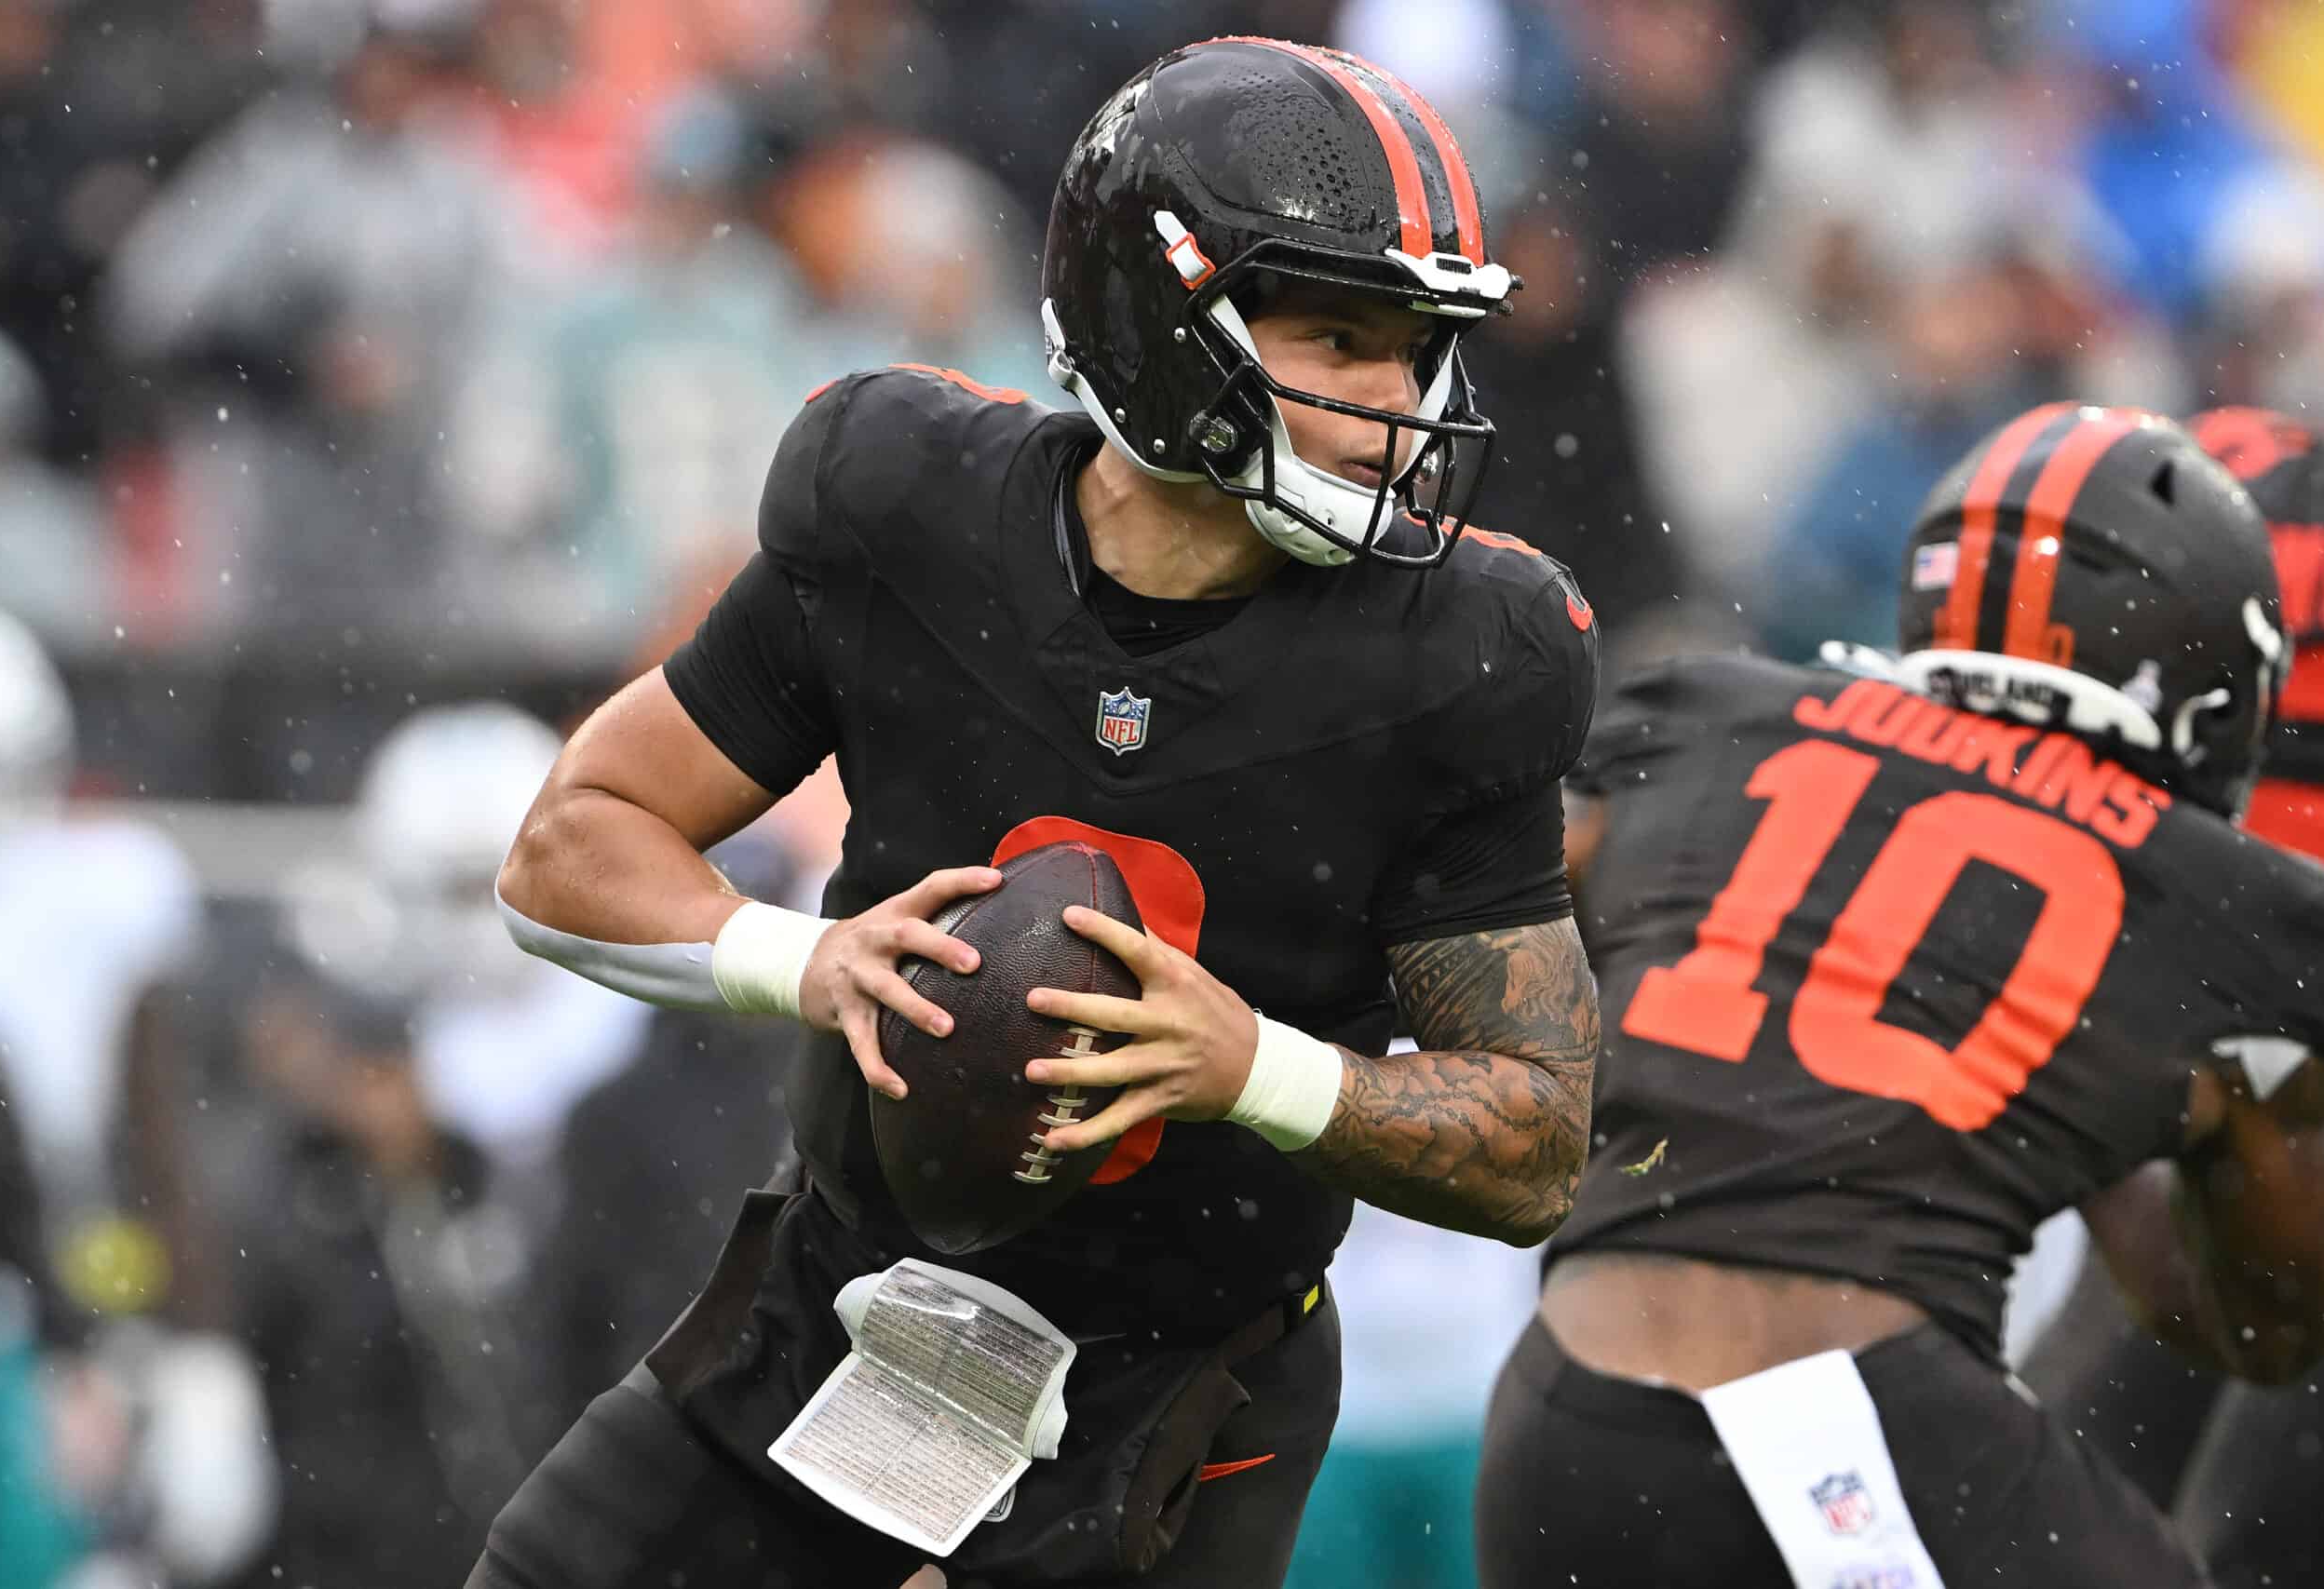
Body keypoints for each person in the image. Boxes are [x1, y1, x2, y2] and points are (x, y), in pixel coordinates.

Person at [483, 36, 1600, 1589]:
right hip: (845, 1305)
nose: (1394, 403)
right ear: (1161, 317)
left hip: (1182, 1380)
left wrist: (1254, 1068)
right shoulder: (904, 506)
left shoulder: (1464, 652)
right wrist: (791, 958)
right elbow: (566, 846)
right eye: (1341, 338)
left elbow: (1540, 1137)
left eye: (1417, 352)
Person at [1476, 403, 2324, 1588]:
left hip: (1552, 1416)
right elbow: (2267, 1325)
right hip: (1827, 1432)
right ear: (2205, 683)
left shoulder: (1704, 719)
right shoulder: (2216, 901)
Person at [2023, 207, 2324, 1587]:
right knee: (2106, 1502)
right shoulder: (2223, 489)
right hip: (2236, 1079)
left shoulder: (2214, 482)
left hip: (2235, 1071)